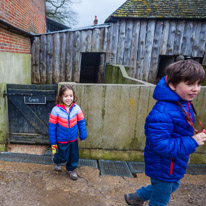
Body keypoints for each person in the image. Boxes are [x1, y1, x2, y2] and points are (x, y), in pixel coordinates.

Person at [124, 59, 206, 206]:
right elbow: (160, 145)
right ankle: (137, 197)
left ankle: (136, 197)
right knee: (160, 200)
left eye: (198, 84)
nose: (196, 89)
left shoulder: (182, 102)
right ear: (173, 85)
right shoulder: (162, 112)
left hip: (174, 162)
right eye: (190, 84)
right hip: (164, 165)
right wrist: (192, 141)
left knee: (173, 186)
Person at [48, 84, 87, 180]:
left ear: (74, 96)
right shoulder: (56, 110)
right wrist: (53, 142)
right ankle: (56, 160)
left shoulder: (77, 108)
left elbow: (81, 123)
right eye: (66, 96)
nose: (68, 98)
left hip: (73, 139)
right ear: (61, 97)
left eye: (71, 96)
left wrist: (82, 135)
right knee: (63, 156)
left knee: (74, 156)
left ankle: (71, 169)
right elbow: (52, 128)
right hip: (61, 139)